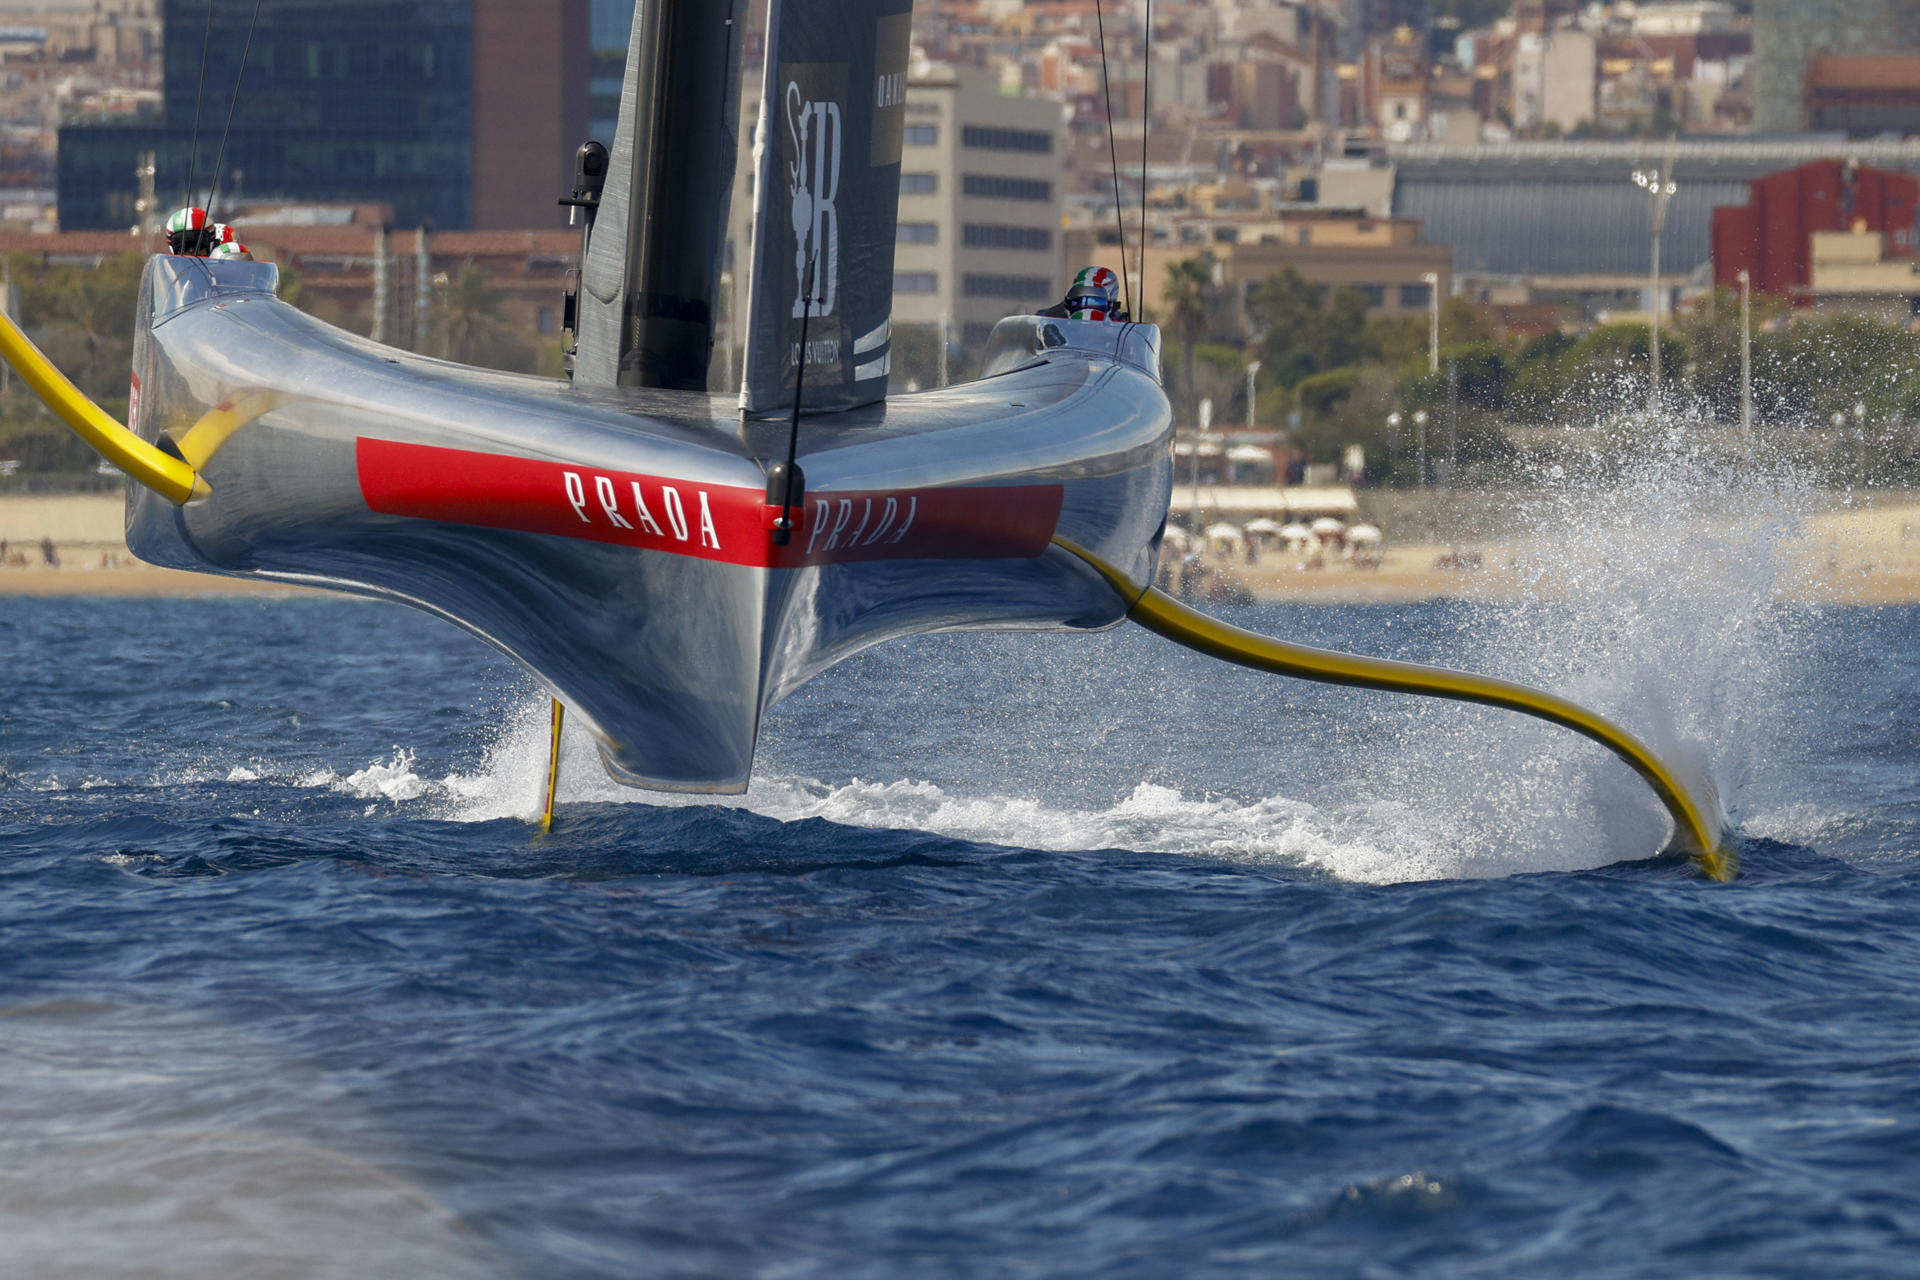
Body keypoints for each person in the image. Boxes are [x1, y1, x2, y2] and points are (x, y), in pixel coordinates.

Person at [1039, 265, 1128, 322]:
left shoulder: (1121, 325)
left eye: (1095, 301)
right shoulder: (1047, 317)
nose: (1086, 304)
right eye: (1079, 300)